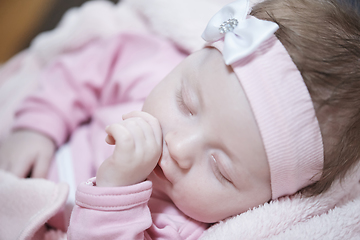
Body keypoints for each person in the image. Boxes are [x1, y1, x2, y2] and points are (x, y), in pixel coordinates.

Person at [0, 0, 359, 238]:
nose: (180, 147)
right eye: (186, 104)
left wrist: (117, 190)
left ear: (267, 202)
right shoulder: (151, 66)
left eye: (220, 167)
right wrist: (38, 126)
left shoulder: (179, 226)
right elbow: (88, 66)